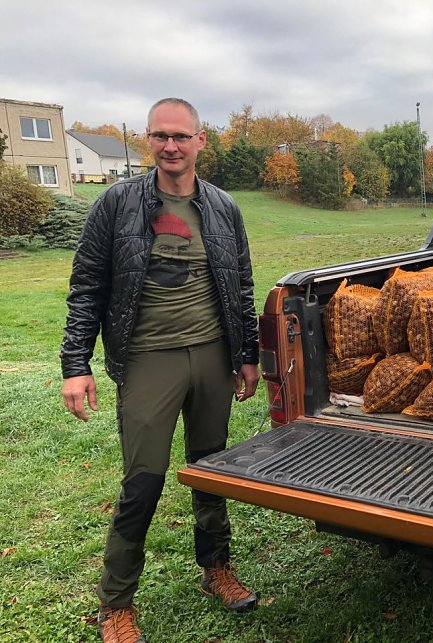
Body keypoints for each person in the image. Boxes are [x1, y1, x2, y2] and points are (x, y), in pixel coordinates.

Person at [60, 98, 260, 643]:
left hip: (214, 356)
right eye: (159, 136)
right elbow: (86, 287)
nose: (170, 146)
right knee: (143, 483)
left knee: (211, 469)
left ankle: (216, 569)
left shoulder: (223, 208)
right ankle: (116, 604)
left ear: (200, 141)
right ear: (149, 141)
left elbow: (241, 284)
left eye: (180, 136)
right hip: (148, 358)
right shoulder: (117, 204)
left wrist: (248, 354)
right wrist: (75, 365)